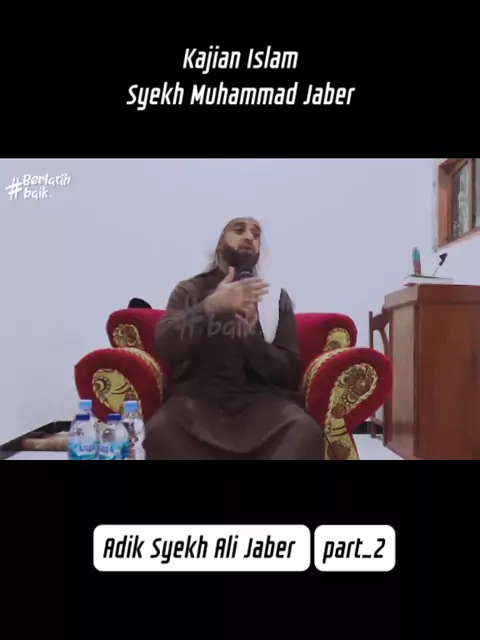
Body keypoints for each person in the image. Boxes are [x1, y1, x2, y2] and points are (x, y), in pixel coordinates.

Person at [143, 217, 325, 460]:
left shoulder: (273, 299)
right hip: (196, 402)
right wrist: (209, 306)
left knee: (305, 432)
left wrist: (252, 340)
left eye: (256, 234)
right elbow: (166, 344)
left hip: (263, 404)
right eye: (239, 230)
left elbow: (289, 372)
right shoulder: (190, 290)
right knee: (159, 432)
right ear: (219, 243)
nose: (249, 237)